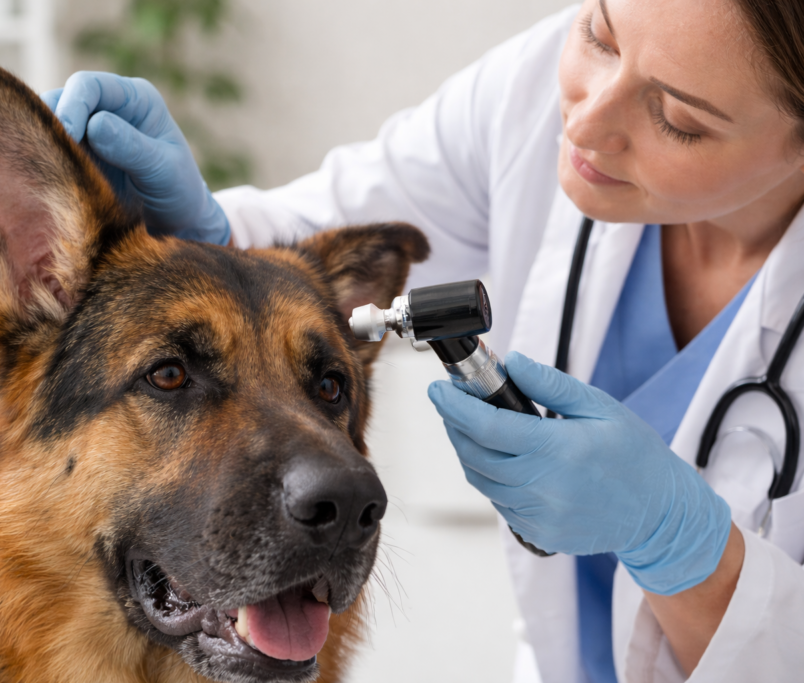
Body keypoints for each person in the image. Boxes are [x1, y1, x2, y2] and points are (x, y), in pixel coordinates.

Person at [41, 0, 804, 680]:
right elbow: (335, 226)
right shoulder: (529, 95)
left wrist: (682, 545)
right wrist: (207, 232)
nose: (583, 121)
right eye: (599, 34)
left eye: (678, 118)